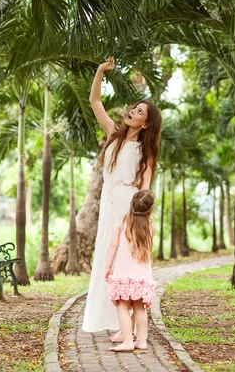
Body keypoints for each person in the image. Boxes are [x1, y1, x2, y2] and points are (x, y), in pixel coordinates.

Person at [81, 57, 162, 335]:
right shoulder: (113, 136)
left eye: (139, 111)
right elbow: (95, 102)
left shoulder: (145, 153)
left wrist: (138, 219)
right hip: (109, 200)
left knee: (126, 263)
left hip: (128, 207)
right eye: (133, 108)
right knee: (107, 257)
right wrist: (100, 72)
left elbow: (145, 189)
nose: (132, 111)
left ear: (146, 124)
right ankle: (116, 322)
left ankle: (129, 326)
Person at [104, 190, 157, 352]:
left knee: (122, 306)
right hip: (142, 277)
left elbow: (113, 245)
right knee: (140, 308)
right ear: (150, 209)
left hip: (123, 274)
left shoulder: (123, 222)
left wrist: (107, 266)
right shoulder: (150, 226)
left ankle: (127, 341)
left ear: (132, 204)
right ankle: (141, 341)